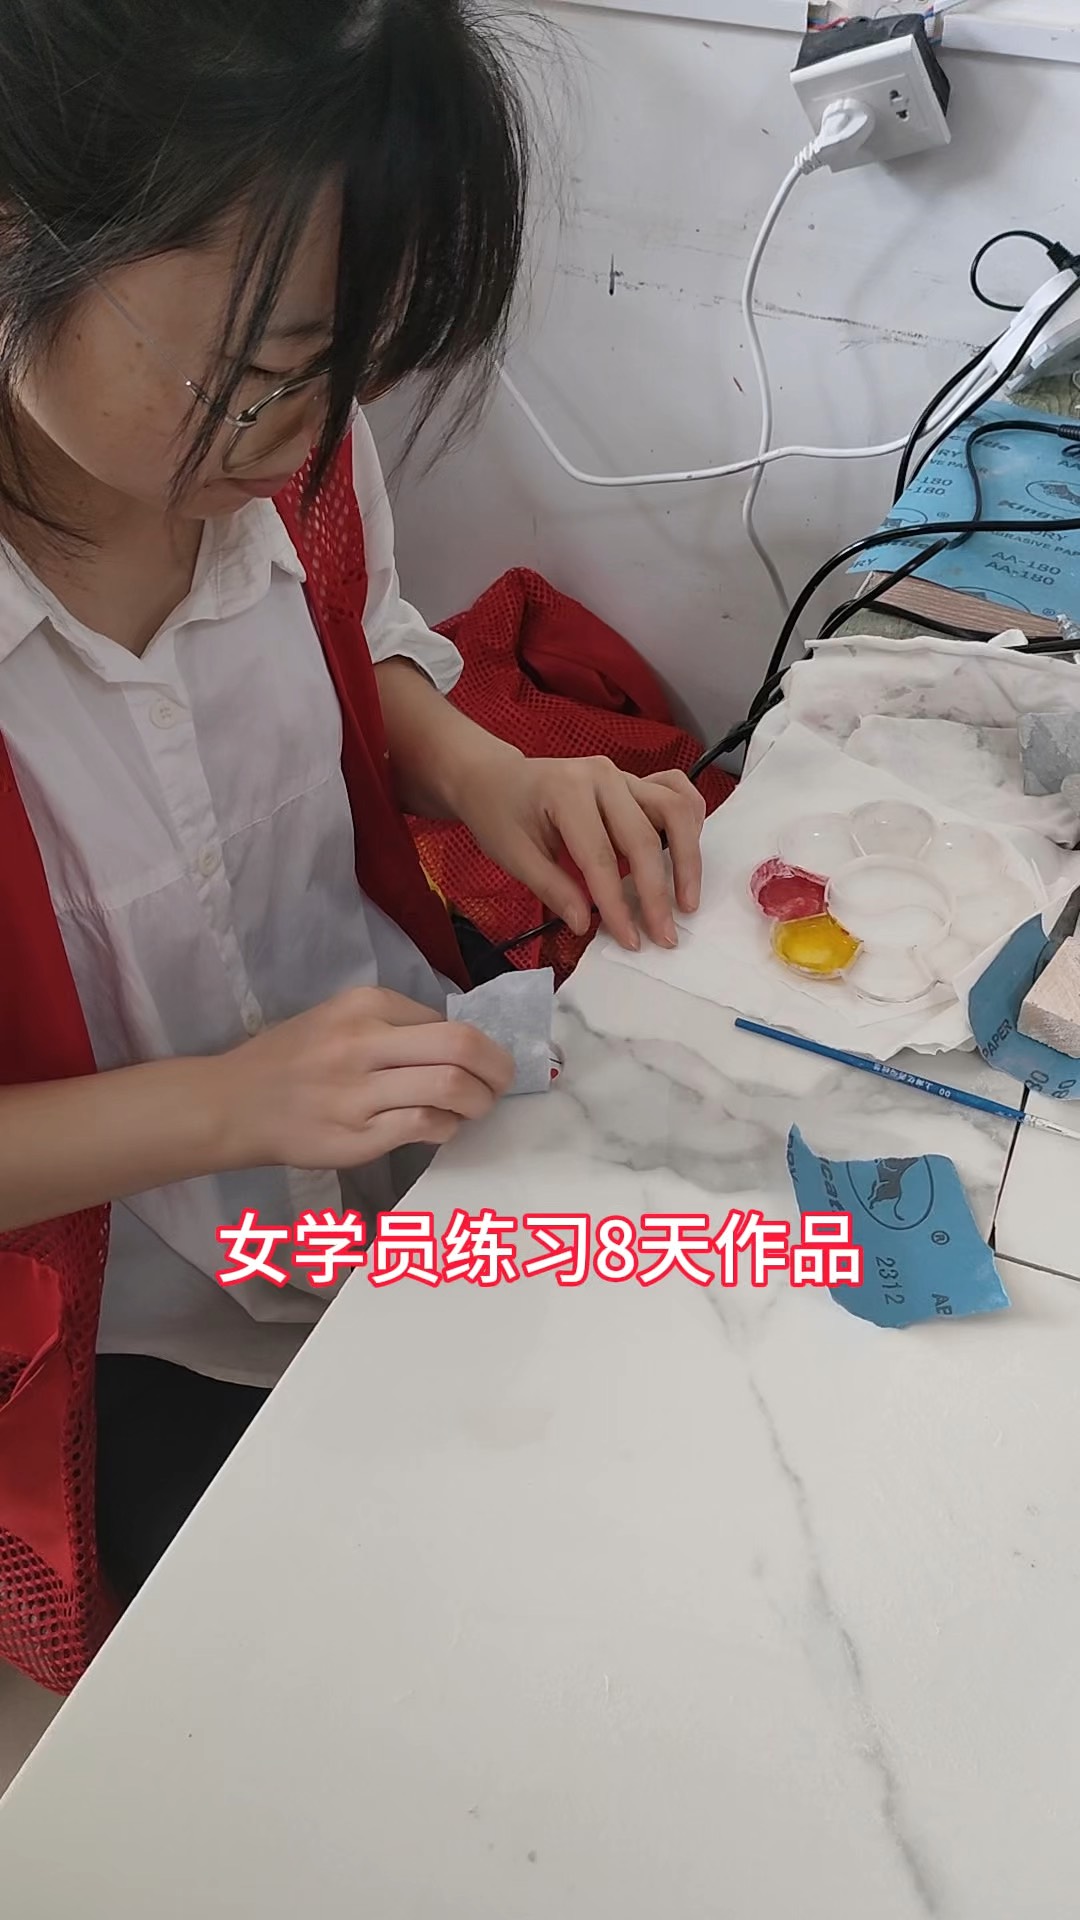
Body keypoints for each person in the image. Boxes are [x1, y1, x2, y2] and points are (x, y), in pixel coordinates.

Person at [0, 0, 706, 1603]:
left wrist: (484, 770)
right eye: (268, 373)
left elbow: (345, 654)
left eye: (361, 371)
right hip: (130, 1309)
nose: (318, 437)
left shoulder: (281, 466)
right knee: (429, 1612)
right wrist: (233, 1107)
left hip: (386, 1150)